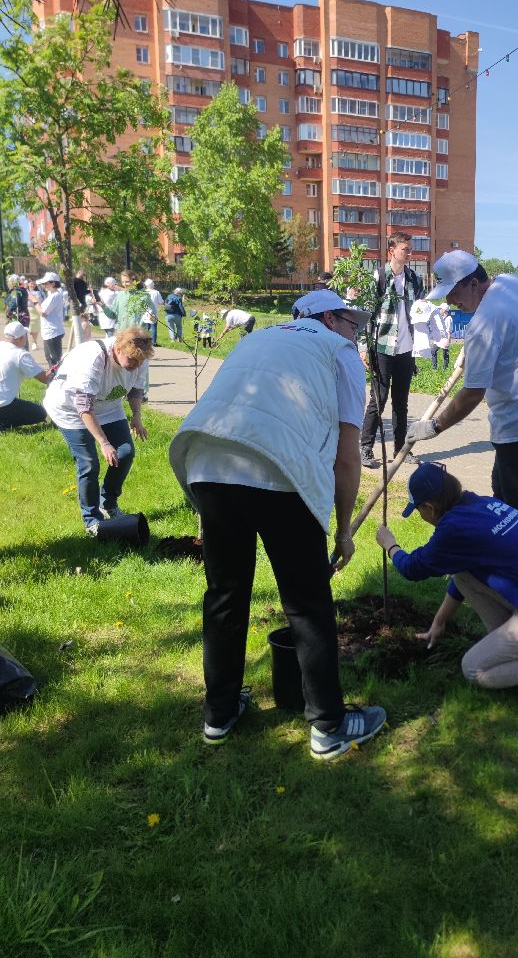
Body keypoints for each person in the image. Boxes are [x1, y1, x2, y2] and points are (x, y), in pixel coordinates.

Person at [169, 289, 386, 759]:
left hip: (208, 464)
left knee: (225, 594)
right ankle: (329, 727)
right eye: (352, 323)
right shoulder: (339, 352)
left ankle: (219, 713)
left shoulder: (256, 339)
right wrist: (343, 530)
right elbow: (348, 456)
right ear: (329, 319)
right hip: (279, 471)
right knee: (307, 602)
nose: (356, 333)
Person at [376, 463, 518, 709]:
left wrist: (390, 545)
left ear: (429, 507)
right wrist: (440, 620)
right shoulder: (479, 505)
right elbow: (464, 575)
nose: (421, 516)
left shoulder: (455, 529)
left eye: (419, 511)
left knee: (474, 668)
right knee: (463, 573)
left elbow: (412, 568)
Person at [406, 250, 518, 522]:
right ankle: (504, 544)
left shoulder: (483, 325)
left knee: (517, 508)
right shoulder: (512, 283)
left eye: (453, 293)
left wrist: (434, 426)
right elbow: (511, 331)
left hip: (517, 419)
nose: (450, 301)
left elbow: (472, 394)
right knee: (501, 489)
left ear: (473, 283)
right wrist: (475, 353)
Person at [43, 326, 151, 534]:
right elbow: (84, 406)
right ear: (118, 349)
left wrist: (136, 416)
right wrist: (104, 443)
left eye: (140, 361)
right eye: (132, 360)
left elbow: (136, 389)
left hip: (108, 407)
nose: (137, 365)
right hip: (71, 410)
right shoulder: (94, 358)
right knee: (89, 463)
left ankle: (108, 502)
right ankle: (92, 519)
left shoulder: (140, 357)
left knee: (125, 453)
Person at [360, 233, 424, 468]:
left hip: (406, 349)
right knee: (378, 399)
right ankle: (366, 448)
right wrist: (364, 347)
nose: (409, 253)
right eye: (405, 249)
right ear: (391, 250)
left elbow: (420, 311)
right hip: (382, 347)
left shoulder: (414, 279)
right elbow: (365, 314)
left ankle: (400, 450)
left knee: (401, 402)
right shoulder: (378, 277)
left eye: (410, 249)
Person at [0, 322, 49, 431]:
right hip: (4, 404)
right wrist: (57, 367)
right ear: (21, 338)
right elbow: (45, 378)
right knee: (40, 413)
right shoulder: (20, 354)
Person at [37, 271, 66, 369]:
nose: (44, 285)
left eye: (46, 283)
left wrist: (35, 302)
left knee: (54, 359)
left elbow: (43, 313)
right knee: (49, 357)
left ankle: (56, 376)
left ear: (53, 283)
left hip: (52, 332)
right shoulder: (52, 294)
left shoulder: (55, 296)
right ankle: (54, 375)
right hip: (50, 331)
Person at [142, 279, 164, 345]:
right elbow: (161, 302)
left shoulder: (143, 292)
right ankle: (154, 342)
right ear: (152, 284)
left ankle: (144, 341)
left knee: (145, 328)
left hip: (145, 313)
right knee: (154, 327)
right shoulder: (156, 292)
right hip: (153, 313)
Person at [433, 302, 453, 371]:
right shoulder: (440, 317)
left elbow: (449, 331)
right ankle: (434, 368)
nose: (439, 310)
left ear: (444, 310)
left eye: (440, 309)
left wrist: (448, 340)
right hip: (438, 338)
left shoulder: (449, 318)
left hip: (445, 339)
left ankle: (445, 368)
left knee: (445, 354)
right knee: (433, 351)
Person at [26, 280, 42, 350]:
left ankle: (34, 342)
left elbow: (38, 300)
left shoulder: (38, 292)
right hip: (27, 310)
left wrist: (31, 298)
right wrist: (32, 298)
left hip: (35, 310)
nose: (32, 285)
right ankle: (29, 342)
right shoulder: (25, 291)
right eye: (31, 283)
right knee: (28, 329)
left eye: (34, 284)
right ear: (28, 284)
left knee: (35, 328)